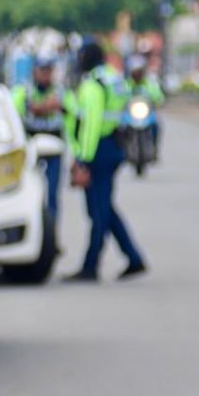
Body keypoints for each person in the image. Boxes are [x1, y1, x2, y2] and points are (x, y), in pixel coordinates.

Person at [64, 41, 147, 282]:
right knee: (105, 207)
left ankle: (90, 266)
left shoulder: (92, 85)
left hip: (98, 150)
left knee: (97, 211)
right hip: (115, 146)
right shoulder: (115, 78)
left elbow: (91, 125)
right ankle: (133, 258)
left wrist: (83, 159)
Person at [10, 53, 76, 219]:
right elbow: (14, 114)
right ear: (34, 71)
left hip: (55, 149)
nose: (45, 75)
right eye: (42, 70)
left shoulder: (61, 92)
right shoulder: (23, 91)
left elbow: (74, 117)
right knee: (29, 192)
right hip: (30, 148)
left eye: (48, 71)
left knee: (52, 195)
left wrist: (59, 106)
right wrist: (38, 107)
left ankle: (51, 235)